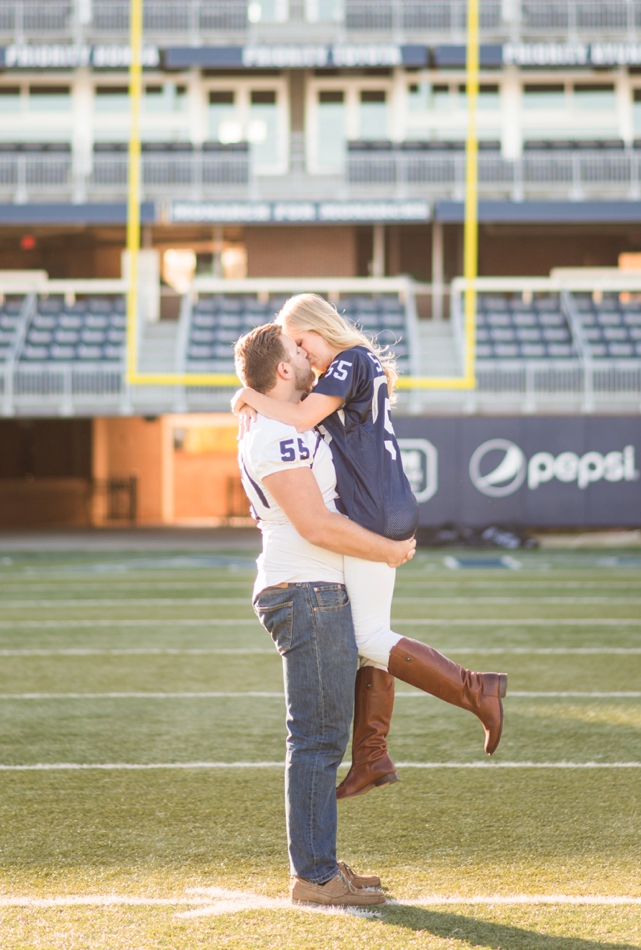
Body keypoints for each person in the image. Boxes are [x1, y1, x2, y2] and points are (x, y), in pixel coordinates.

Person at [233, 293, 508, 801]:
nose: (302, 353)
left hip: (372, 506)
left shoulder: (349, 360)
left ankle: (476, 689)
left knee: (367, 636)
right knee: (368, 634)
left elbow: (297, 419)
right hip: (382, 501)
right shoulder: (355, 366)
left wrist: (249, 397)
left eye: (301, 340)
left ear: (318, 327)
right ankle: (372, 755)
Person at [234, 322, 415, 907]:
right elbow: (315, 524)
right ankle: (313, 877)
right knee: (315, 740)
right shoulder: (274, 436)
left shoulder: (292, 423)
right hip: (305, 589)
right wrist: (387, 550)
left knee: (322, 737)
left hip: (315, 586)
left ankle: (320, 861)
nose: (311, 356)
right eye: (298, 351)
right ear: (284, 370)